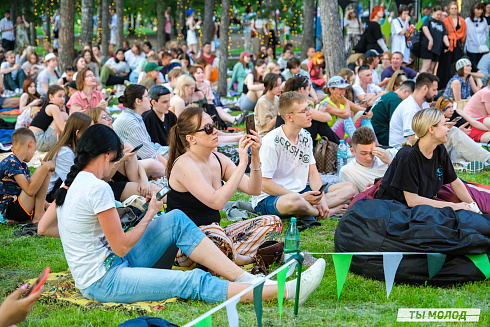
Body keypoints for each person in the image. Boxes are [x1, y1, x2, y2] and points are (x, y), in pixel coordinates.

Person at [38, 124, 326, 306]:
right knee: (190, 283)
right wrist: (149, 213)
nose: (118, 167)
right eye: (119, 160)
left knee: (174, 219)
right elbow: (122, 246)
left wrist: (83, 235)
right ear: (105, 157)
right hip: (104, 279)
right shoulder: (97, 188)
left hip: (112, 265)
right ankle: (283, 292)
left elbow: (47, 228)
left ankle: (244, 277)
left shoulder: (72, 183)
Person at [166, 106, 282, 268]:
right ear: (191, 138)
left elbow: (254, 189)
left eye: (213, 125)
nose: (214, 131)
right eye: (207, 128)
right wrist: (242, 164)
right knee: (215, 235)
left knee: (273, 222)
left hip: (217, 235)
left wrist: (255, 155)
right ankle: (246, 258)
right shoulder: (184, 164)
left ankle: (228, 255)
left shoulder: (219, 159)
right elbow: (217, 202)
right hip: (185, 244)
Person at [251, 91, 356, 230]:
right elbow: (264, 184)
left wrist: (321, 198)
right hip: (273, 198)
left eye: (308, 109)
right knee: (295, 202)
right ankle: (327, 211)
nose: (309, 113)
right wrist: (300, 197)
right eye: (304, 111)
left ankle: (312, 207)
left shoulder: (305, 136)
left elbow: (312, 174)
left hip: (302, 191)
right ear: (289, 117)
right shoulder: (271, 142)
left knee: (350, 188)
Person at [378, 109, 476, 211]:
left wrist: (474, 207)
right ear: (431, 129)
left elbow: (454, 181)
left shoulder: (439, 149)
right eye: (444, 125)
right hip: (397, 208)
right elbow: (412, 200)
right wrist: (455, 206)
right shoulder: (408, 155)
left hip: (422, 205)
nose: (448, 129)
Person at [0, 128, 55, 224]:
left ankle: (38, 214)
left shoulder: (23, 165)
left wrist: (47, 206)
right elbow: (30, 191)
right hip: (10, 209)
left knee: (45, 170)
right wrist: (44, 168)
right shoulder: (11, 162)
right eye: (34, 149)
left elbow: (33, 191)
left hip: (19, 206)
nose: (34, 153)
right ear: (30, 144)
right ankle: (38, 216)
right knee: (43, 169)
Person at [113, 84, 168, 174]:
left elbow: (150, 146)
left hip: (135, 159)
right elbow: (149, 154)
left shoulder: (135, 116)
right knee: (154, 164)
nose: (150, 99)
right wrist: (171, 170)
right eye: (146, 96)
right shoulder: (130, 122)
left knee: (170, 154)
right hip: (123, 166)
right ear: (138, 101)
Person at [44, 112, 93, 201]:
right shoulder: (64, 152)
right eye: (89, 130)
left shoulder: (75, 148)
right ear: (78, 133)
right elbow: (73, 181)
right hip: (49, 196)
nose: (93, 133)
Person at [275, 76, 337, 146]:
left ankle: (339, 145)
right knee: (318, 121)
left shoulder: (287, 101)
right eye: (308, 89)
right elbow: (328, 117)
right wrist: (320, 111)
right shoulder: (297, 105)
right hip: (288, 138)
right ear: (301, 90)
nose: (309, 92)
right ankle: (339, 145)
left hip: (292, 135)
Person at [434, 96, 490, 164]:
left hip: (472, 125)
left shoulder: (456, 111)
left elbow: (472, 121)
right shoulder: (437, 118)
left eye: (452, 106)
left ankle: (462, 165)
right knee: (454, 135)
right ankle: (465, 163)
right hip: (468, 133)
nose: (451, 110)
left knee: (456, 143)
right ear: (441, 108)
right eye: (448, 107)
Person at [339, 127, 397, 193]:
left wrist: (390, 161)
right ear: (352, 151)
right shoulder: (347, 171)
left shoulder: (391, 154)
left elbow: (409, 176)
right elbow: (353, 202)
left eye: (372, 152)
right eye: (363, 153)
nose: (369, 158)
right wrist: (366, 193)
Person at [389, 73, 439, 147]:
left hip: (414, 147)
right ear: (425, 88)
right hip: (402, 150)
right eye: (434, 90)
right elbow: (411, 139)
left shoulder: (424, 104)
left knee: (451, 132)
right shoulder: (410, 108)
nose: (436, 93)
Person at [372, 80, 415, 146]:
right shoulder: (396, 100)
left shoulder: (390, 95)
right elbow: (398, 124)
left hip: (376, 132)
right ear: (405, 91)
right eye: (411, 97)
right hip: (382, 136)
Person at [29, 85, 68, 151]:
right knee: (64, 115)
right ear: (51, 97)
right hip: (40, 141)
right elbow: (63, 128)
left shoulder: (49, 106)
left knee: (62, 116)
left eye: (64, 96)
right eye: (59, 96)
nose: (63, 99)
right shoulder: (53, 107)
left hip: (33, 142)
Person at [438, 2, 466, 88]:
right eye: (452, 8)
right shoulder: (445, 21)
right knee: (446, 64)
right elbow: (443, 33)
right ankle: (443, 84)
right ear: (449, 10)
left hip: (457, 44)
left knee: (456, 64)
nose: (454, 10)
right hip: (448, 44)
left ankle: (456, 83)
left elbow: (463, 33)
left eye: (455, 8)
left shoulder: (462, 20)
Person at [420, 6, 449, 73]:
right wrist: (430, 39)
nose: (439, 16)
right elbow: (424, 28)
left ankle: (428, 82)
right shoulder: (429, 20)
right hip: (428, 46)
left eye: (440, 15)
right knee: (426, 66)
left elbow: (444, 34)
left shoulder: (441, 23)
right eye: (437, 14)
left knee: (431, 68)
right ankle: (419, 81)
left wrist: (447, 45)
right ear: (433, 12)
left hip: (436, 48)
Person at [465, 3, 489, 68]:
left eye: (481, 9)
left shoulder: (484, 20)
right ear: (474, 10)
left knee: (481, 65)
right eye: (478, 9)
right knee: (473, 65)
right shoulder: (468, 20)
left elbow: (486, 32)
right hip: (471, 47)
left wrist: (483, 40)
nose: (480, 11)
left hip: (482, 48)